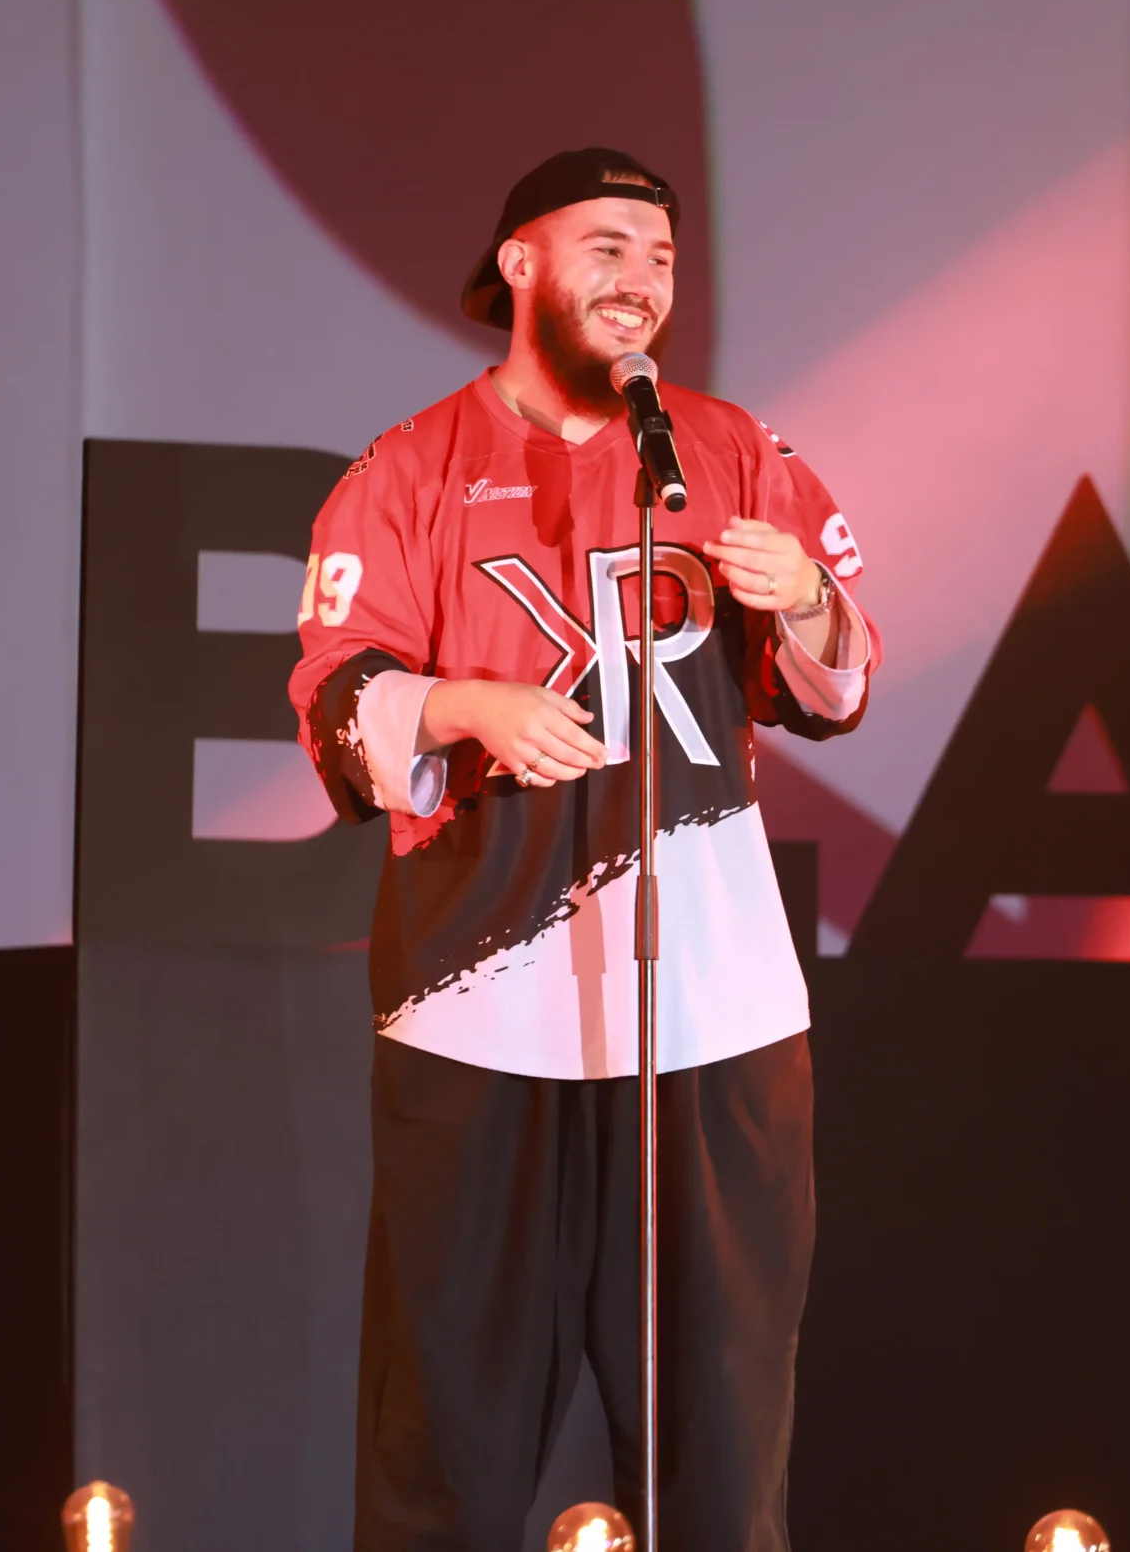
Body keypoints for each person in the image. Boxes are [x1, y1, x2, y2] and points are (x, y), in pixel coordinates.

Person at [290, 148, 880, 1552]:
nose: (642, 282)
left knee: (720, 1470)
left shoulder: (731, 452)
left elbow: (839, 685)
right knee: (441, 1467)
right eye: (607, 247)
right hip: (478, 1018)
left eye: (662, 257)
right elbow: (332, 701)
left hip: (714, 1023)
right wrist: (461, 705)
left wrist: (806, 597)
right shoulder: (408, 469)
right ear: (520, 264)